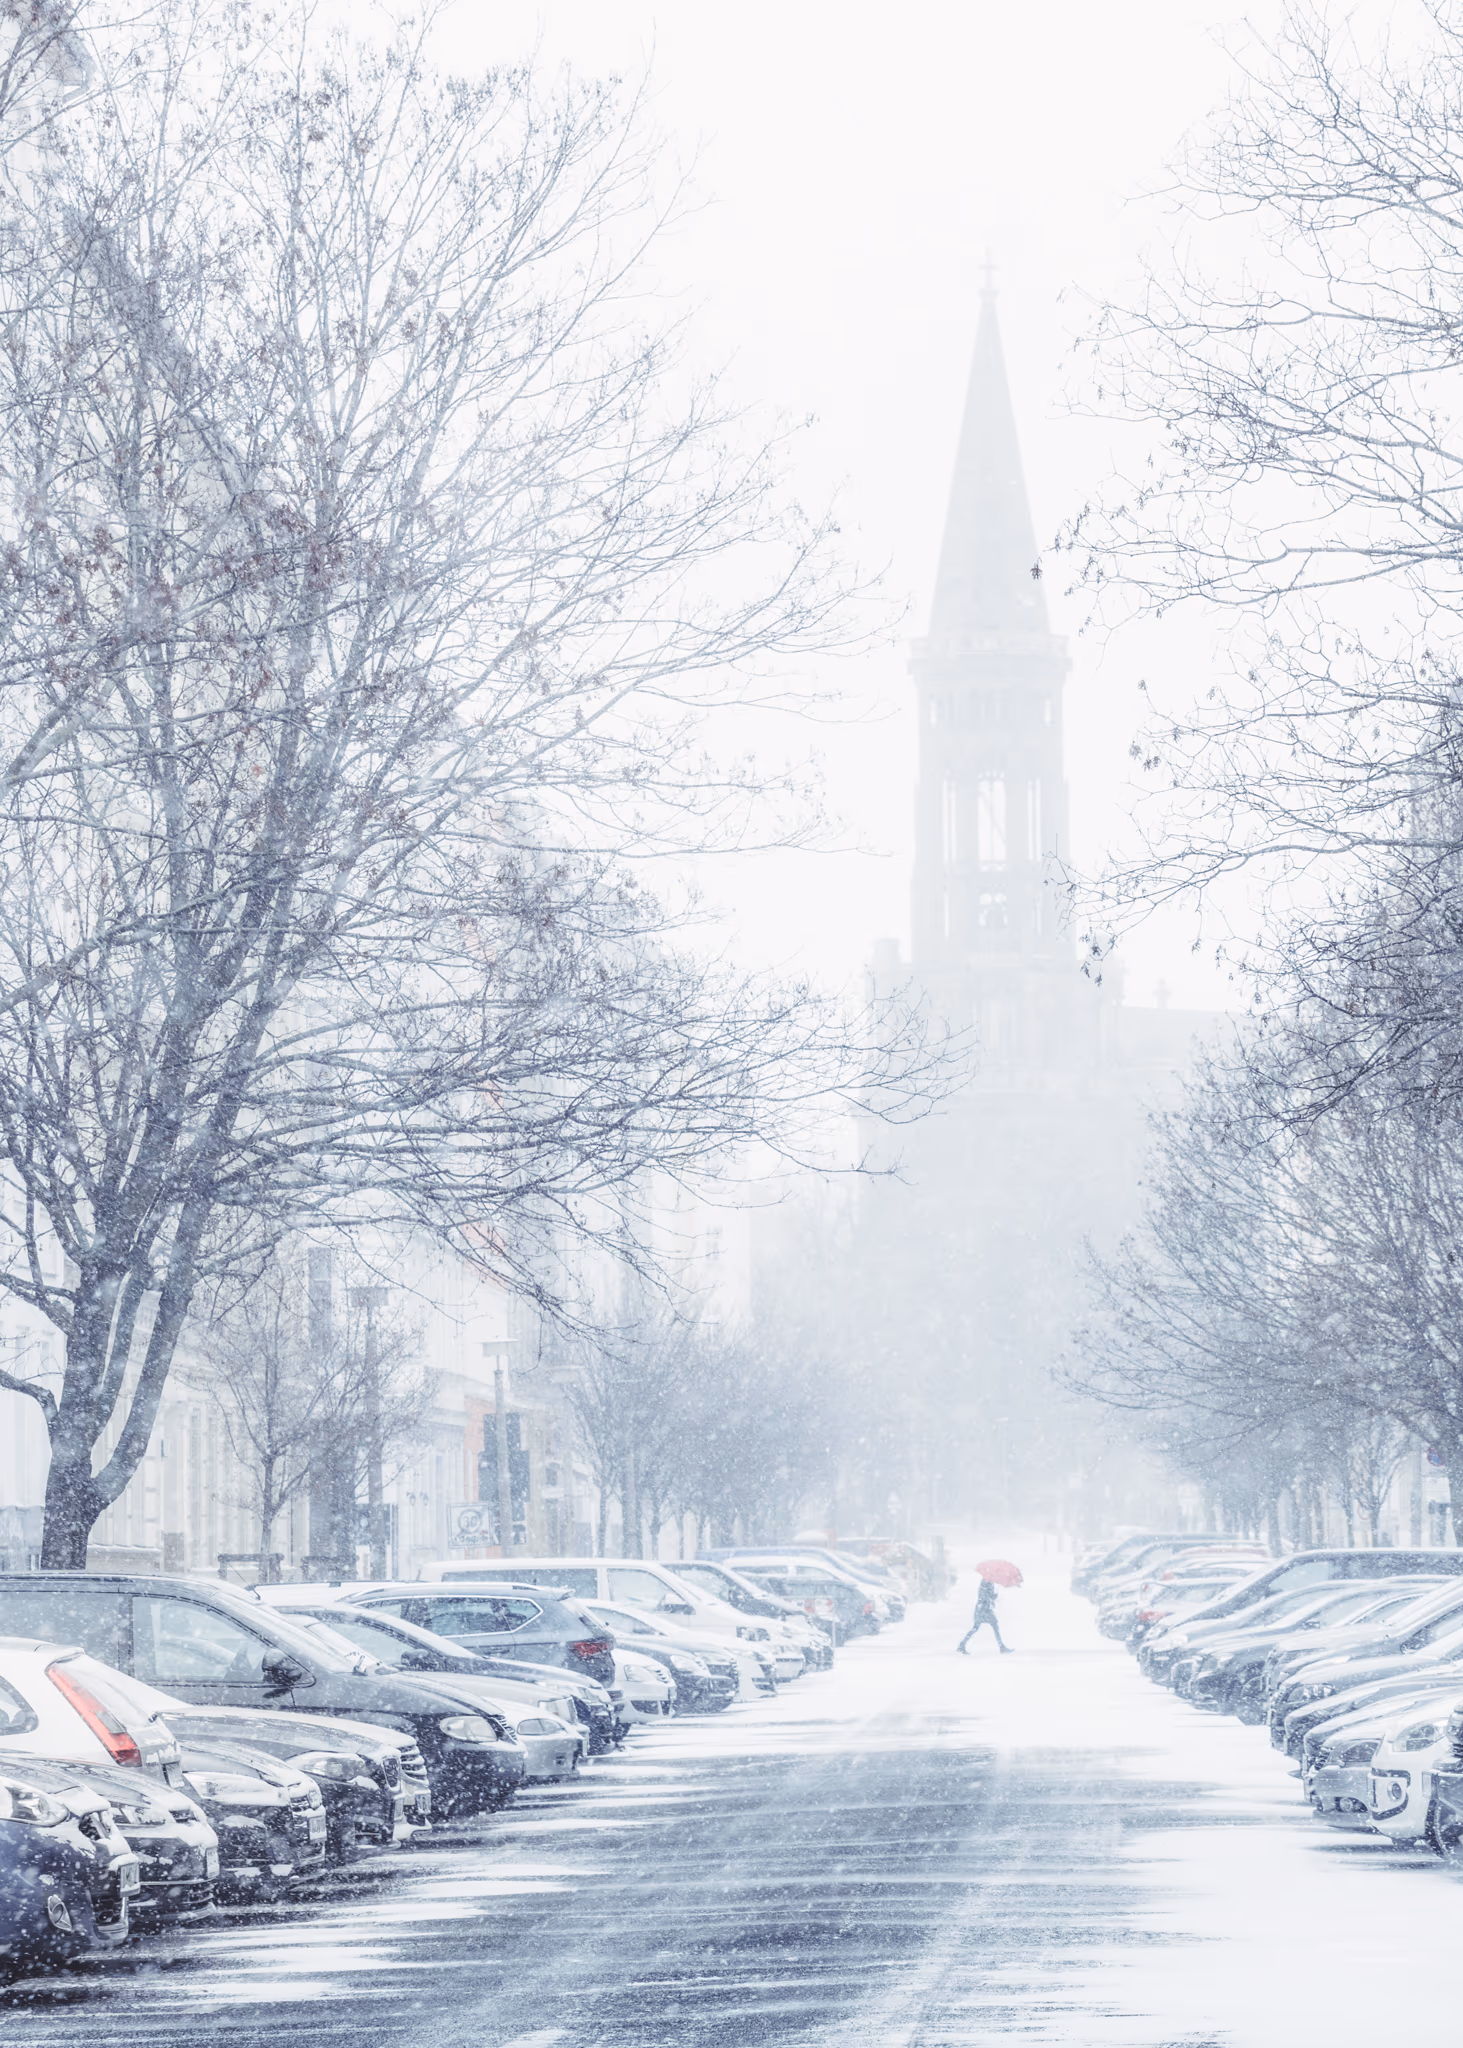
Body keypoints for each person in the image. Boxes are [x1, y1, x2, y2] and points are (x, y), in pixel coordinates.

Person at [957, 1577, 1013, 1654]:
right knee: (993, 1625)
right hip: (984, 1609)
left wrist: (993, 1596)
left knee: (976, 1627)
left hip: (982, 1609)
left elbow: (986, 1595)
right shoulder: (986, 1582)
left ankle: (962, 1644)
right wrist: (992, 1597)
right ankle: (1001, 1646)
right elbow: (983, 1595)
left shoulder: (988, 1582)